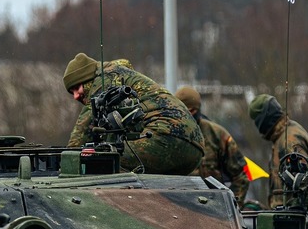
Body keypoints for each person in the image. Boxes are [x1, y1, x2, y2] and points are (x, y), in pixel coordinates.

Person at [63, 53, 204, 175]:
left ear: (87, 79)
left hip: (166, 137)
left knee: (102, 161)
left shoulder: (104, 79)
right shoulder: (120, 76)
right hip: (194, 150)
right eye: (72, 92)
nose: (75, 96)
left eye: (77, 88)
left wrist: (66, 161)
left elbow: (84, 127)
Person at [174, 85, 250, 203]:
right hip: (179, 207)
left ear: (197, 110)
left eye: (191, 111)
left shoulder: (217, 135)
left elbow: (241, 176)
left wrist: (231, 205)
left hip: (213, 209)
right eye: (183, 112)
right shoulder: (169, 136)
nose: (188, 116)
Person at [248, 94, 308, 208]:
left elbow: (304, 180)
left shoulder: (288, 140)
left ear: (263, 120)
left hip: (295, 217)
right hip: (288, 215)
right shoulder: (285, 134)